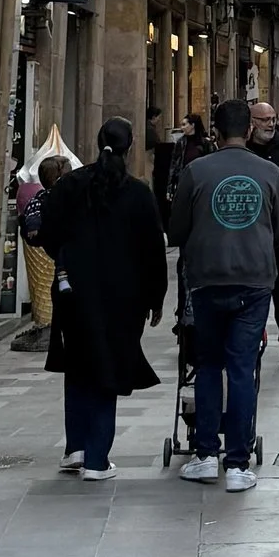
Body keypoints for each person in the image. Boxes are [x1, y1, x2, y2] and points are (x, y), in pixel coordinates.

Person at [167, 95, 279, 490]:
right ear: (250, 129)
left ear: (216, 133)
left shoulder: (195, 171)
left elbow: (177, 231)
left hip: (207, 279)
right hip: (254, 280)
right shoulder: (270, 173)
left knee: (207, 366)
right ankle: (238, 463)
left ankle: (205, 454)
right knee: (242, 369)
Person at [39, 118, 168, 479]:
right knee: (106, 366)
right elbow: (153, 251)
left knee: (78, 364)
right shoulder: (138, 194)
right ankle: (96, 457)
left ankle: (76, 447)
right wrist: (156, 296)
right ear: (130, 147)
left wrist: (70, 260)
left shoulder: (70, 185)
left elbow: (48, 234)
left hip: (75, 292)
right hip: (123, 296)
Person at [11, 128, 63, 350]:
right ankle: (46, 324)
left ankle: (49, 324)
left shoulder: (40, 196)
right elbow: (32, 219)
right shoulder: (42, 197)